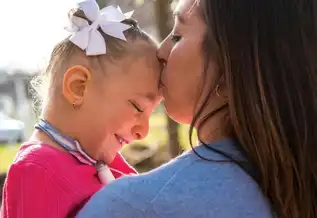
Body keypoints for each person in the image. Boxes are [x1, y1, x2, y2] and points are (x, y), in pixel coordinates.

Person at [77, 0, 317, 217]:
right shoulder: (295, 188)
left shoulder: (132, 206)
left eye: (178, 35)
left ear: (228, 67)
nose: (161, 51)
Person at [1, 0, 162, 217]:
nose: (143, 130)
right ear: (78, 87)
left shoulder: (101, 159)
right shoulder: (37, 170)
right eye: (137, 106)